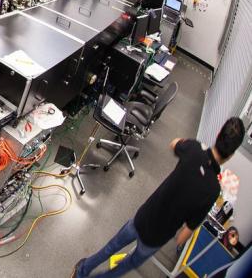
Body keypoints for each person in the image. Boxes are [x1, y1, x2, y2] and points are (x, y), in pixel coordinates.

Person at [73, 117, 246, 278]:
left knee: (111, 247)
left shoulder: (194, 149)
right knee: (128, 264)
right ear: (231, 154)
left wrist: (191, 147)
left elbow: (173, 144)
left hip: (144, 218)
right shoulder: (213, 190)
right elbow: (183, 235)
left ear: (217, 135)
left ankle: (83, 270)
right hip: (157, 238)